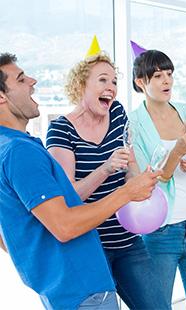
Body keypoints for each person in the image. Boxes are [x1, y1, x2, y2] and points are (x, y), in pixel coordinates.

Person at [0, 53, 160, 309]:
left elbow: (9, 234)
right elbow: (64, 227)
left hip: (65, 286)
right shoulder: (19, 151)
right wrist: (127, 192)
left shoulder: (10, 145)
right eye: (21, 79)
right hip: (80, 287)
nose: (32, 80)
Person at [46, 52, 168, 309]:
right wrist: (105, 168)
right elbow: (68, 197)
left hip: (127, 242)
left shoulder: (118, 114)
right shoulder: (61, 129)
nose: (111, 88)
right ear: (81, 86)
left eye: (114, 82)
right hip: (89, 250)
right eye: (103, 80)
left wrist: (141, 183)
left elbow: (130, 164)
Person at [129, 49, 186, 309]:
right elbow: (150, 178)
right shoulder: (134, 123)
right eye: (157, 76)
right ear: (141, 82)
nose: (167, 81)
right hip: (161, 232)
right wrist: (176, 152)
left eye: (169, 74)